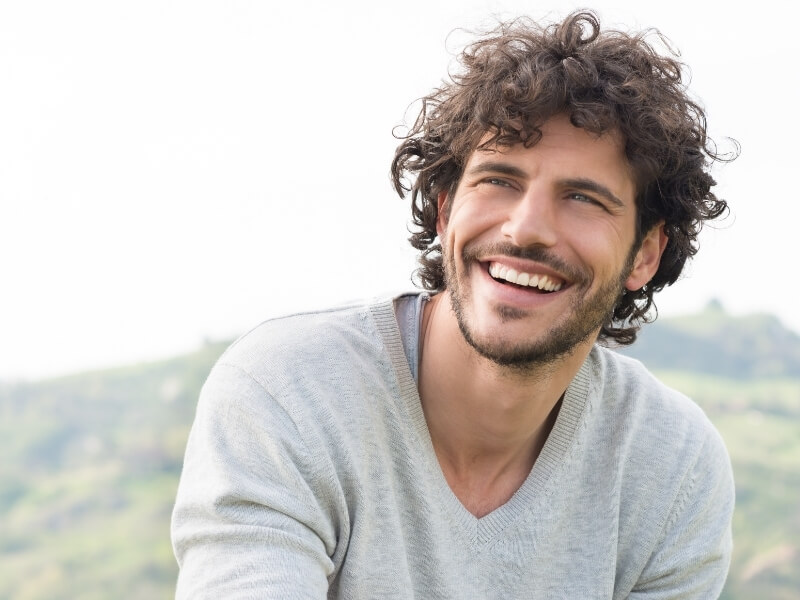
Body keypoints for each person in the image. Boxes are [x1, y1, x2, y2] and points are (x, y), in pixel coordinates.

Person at [171, 10, 736, 599]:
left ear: (645, 253)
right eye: (499, 180)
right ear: (445, 212)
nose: (526, 230)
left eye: (582, 198)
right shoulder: (290, 390)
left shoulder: (671, 465)